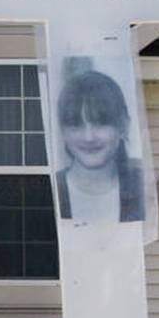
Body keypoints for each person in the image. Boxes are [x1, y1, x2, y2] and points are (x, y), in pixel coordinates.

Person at [54, 69, 145, 223]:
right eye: (76, 125)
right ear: (62, 131)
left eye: (101, 123)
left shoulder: (142, 188)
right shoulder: (49, 189)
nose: (89, 137)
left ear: (123, 126)